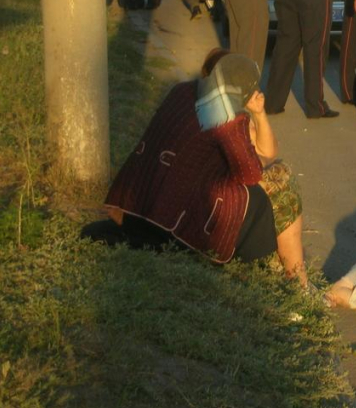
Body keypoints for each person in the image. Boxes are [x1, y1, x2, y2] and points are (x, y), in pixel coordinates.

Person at [84, 50, 308, 285]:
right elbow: (250, 174)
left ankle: (294, 275)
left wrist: (259, 116)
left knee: (270, 185)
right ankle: (294, 278)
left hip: (142, 203)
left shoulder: (182, 90)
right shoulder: (228, 116)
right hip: (176, 220)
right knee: (275, 187)